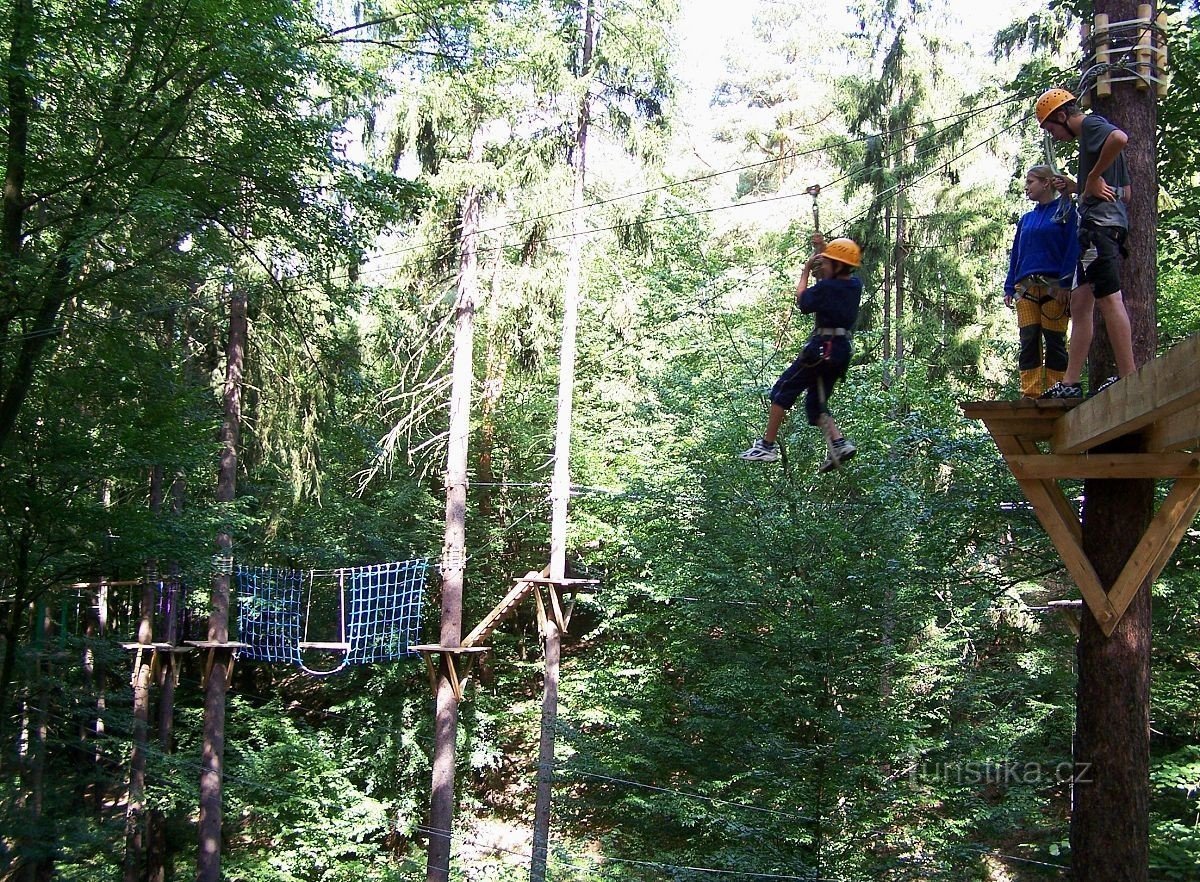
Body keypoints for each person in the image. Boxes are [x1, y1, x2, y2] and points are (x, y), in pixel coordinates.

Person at [1034, 87, 1136, 399]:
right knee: (1080, 302)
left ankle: (1130, 377)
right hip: (1099, 227)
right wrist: (1077, 186)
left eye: (1052, 128)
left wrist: (1092, 177)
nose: (1055, 135)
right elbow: (1125, 193)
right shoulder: (1092, 144)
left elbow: (1120, 138)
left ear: (1063, 116)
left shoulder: (1092, 126)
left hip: (1099, 230)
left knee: (1109, 300)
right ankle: (1070, 382)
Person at [740, 237, 862, 472]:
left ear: (836, 267)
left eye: (826, 263)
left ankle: (767, 445)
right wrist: (823, 248)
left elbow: (803, 302)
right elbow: (834, 270)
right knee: (816, 406)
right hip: (840, 352)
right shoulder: (854, 285)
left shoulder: (827, 287)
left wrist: (806, 269)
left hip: (821, 348)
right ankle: (838, 443)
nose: (821, 266)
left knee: (782, 390)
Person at [1003, 164, 1079, 397]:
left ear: (1046, 183)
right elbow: (1016, 254)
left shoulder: (1065, 211)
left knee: (1055, 340)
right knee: (1028, 339)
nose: (1026, 188)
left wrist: (1066, 283)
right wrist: (1009, 286)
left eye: (1030, 182)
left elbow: (1072, 248)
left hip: (1054, 286)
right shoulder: (1026, 220)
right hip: (1024, 287)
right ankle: (1030, 392)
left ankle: (1057, 388)